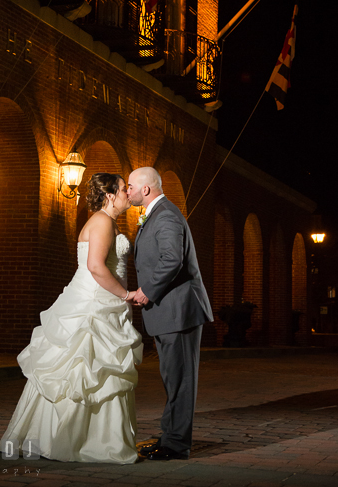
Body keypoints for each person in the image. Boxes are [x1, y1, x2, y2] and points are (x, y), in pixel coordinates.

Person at [0, 173, 143, 463]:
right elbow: (96, 267)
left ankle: (93, 438)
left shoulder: (108, 222)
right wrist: (125, 295)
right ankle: (74, 440)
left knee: (95, 372)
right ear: (111, 195)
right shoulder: (102, 221)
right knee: (84, 370)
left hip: (100, 301)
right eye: (124, 189)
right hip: (92, 304)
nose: (129, 193)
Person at [127, 167, 213, 461]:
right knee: (173, 379)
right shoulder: (158, 213)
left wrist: (147, 290)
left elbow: (172, 259)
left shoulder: (165, 215)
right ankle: (169, 437)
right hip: (168, 313)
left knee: (181, 380)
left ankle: (176, 445)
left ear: (146, 190)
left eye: (130, 187)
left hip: (178, 312)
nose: (127, 191)